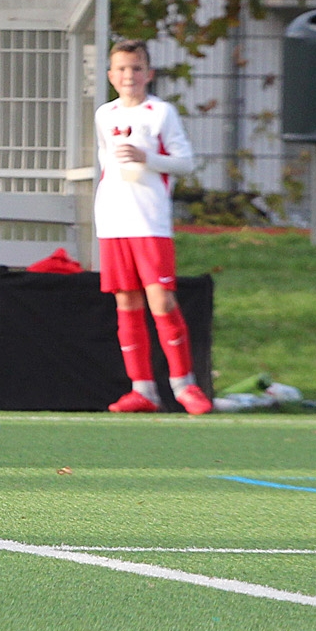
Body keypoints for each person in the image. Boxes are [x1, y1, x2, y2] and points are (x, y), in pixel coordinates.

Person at [95, 40, 212, 415]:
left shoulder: (160, 112)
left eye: (136, 68)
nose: (128, 75)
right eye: (121, 68)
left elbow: (185, 162)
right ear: (110, 75)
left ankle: (184, 385)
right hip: (113, 221)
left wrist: (147, 157)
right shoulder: (105, 114)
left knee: (161, 300)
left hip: (149, 221)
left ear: (149, 73)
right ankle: (142, 389)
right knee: (126, 302)